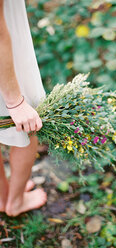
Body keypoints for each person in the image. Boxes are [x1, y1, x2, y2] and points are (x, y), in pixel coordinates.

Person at [0, 0, 47, 216]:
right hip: (5, 56)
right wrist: (15, 101)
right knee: (27, 127)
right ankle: (16, 202)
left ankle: (2, 196)